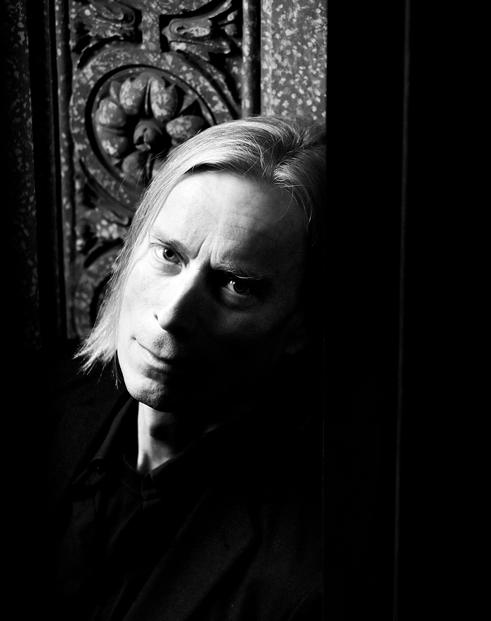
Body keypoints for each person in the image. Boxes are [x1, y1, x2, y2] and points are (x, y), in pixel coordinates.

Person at [45, 116, 326, 621]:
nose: (173, 314)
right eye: (169, 254)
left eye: (236, 284)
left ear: (302, 323)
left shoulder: (311, 566)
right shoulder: (27, 402)